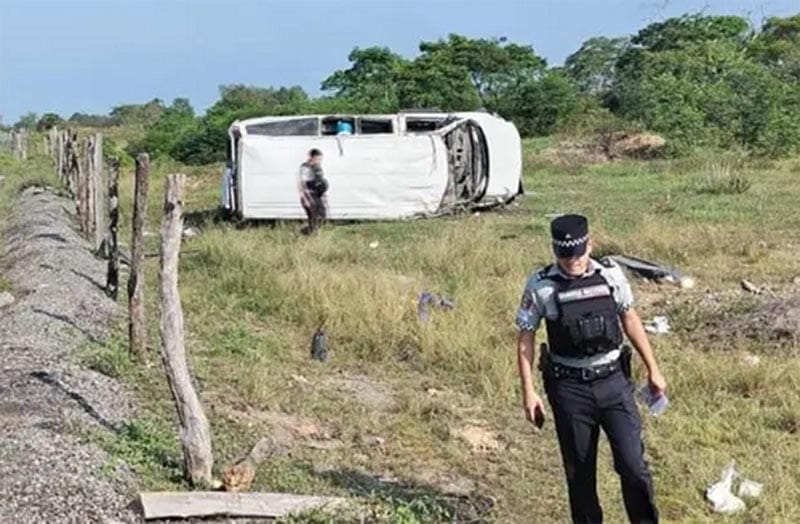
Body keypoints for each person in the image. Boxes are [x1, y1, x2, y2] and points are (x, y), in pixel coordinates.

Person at [515, 214, 666, 524]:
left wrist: (653, 368)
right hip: (570, 390)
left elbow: (630, 318)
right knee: (580, 476)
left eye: (579, 254)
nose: (573, 262)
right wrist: (528, 391)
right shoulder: (541, 284)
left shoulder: (610, 275)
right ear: (555, 251)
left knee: (633, 466)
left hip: (614, 383)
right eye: (564, 256)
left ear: (590, 245)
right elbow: (526, 337)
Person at [298, 148, 328, 234]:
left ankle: (307, 232)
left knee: (322, 216)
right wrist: (305, 199)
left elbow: (320, 181)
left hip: (317, 195)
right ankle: (305, 233)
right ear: (311, 157)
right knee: (313, 218)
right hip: (309, 195)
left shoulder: (317, 167)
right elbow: (301, 183)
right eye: (317, 159)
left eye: (320, 159)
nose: (319, 161)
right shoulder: (305, 168)